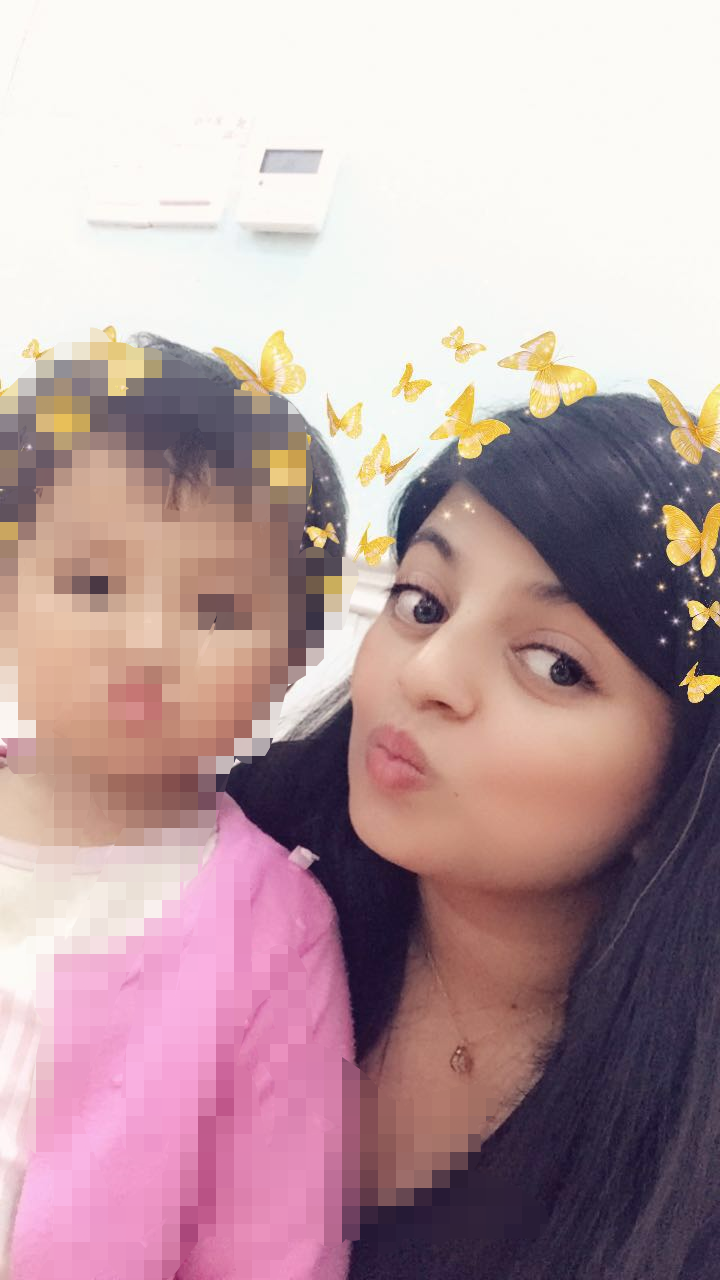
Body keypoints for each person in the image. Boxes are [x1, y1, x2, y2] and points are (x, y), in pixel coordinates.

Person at [227, 390, 720, 1279]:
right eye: (423, 603)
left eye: (554, 665)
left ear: (683, 786)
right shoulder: (223, 859)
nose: (429, 672)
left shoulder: (684, 1160)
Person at [0, 330, 356, 1279]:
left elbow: (276, 1246)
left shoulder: (275, 934)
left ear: (291, 664)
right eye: (93, 583)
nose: (148, 642)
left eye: (218, 610)